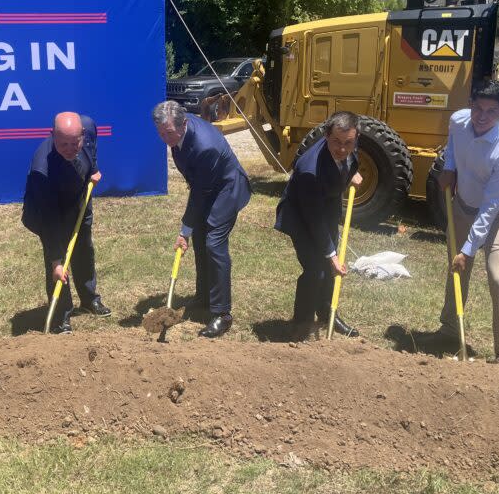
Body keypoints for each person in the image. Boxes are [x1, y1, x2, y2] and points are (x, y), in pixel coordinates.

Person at [431, 80, 499, 364]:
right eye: (478, 108)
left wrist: (469, 249)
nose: (482, 117)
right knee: (456, 270)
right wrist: (449, 167)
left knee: (498, 277)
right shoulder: (459, 120)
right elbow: (453, 142)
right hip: (462, 205)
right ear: (470, 104)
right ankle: (448, 330)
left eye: (491, 111)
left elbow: (491, 207)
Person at [152, 100, 251, 338]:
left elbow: (199, 192)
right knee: (200, 238)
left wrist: (184, 230)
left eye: (169, 133)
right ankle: (205, 296)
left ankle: (222, 314)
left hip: (227, 187)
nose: (165, 138)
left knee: (214, 242)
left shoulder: (205, 147)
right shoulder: (180, 134)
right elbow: (198, 186)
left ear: (183, 124)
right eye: (161, 133)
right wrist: (190, 229)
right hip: (207, 185)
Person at [274, 111, 364, 341]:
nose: (342, 149)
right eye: (336, 142)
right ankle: (301, 325)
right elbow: (313, 219)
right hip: (302, 218)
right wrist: (331, 254)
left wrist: (349, 174)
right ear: (326, 136)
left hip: (326, 209)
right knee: (316, 269)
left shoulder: (349, 146)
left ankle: (326, 313)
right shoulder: (309, 170)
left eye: (348, 143)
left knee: (329, 270)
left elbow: (348, 161)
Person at [22, 112, 109, 334]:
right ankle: (61, 316)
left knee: (84, 250)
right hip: (49, 212)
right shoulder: (42, 170)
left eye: (75, 143)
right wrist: (56, 261)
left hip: (78, 199)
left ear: (82, 134)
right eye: (63, 144)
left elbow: (92, 149)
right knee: (59, 265)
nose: (70, 148)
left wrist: (94, 169)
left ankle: (89, 299)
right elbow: (49, 219)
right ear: (52, 136)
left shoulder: (88, 126)